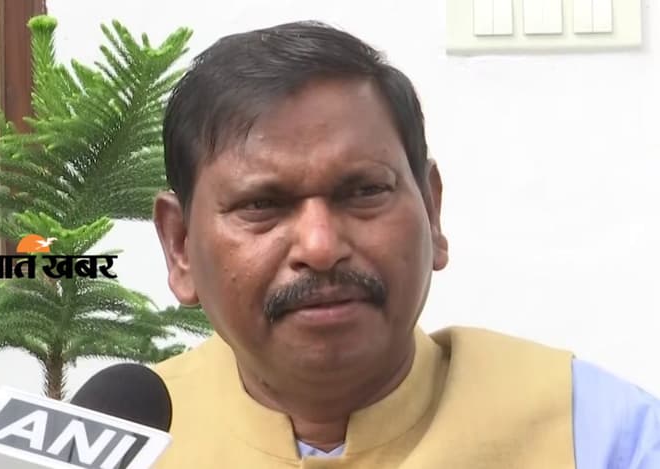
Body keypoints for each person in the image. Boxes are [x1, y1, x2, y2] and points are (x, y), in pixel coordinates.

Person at [151, 21, 660, 468]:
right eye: (262, 205)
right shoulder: (127, 442)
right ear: (180, 246)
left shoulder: (600, 438)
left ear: (431, 211)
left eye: (364, 192)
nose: (321, 247)